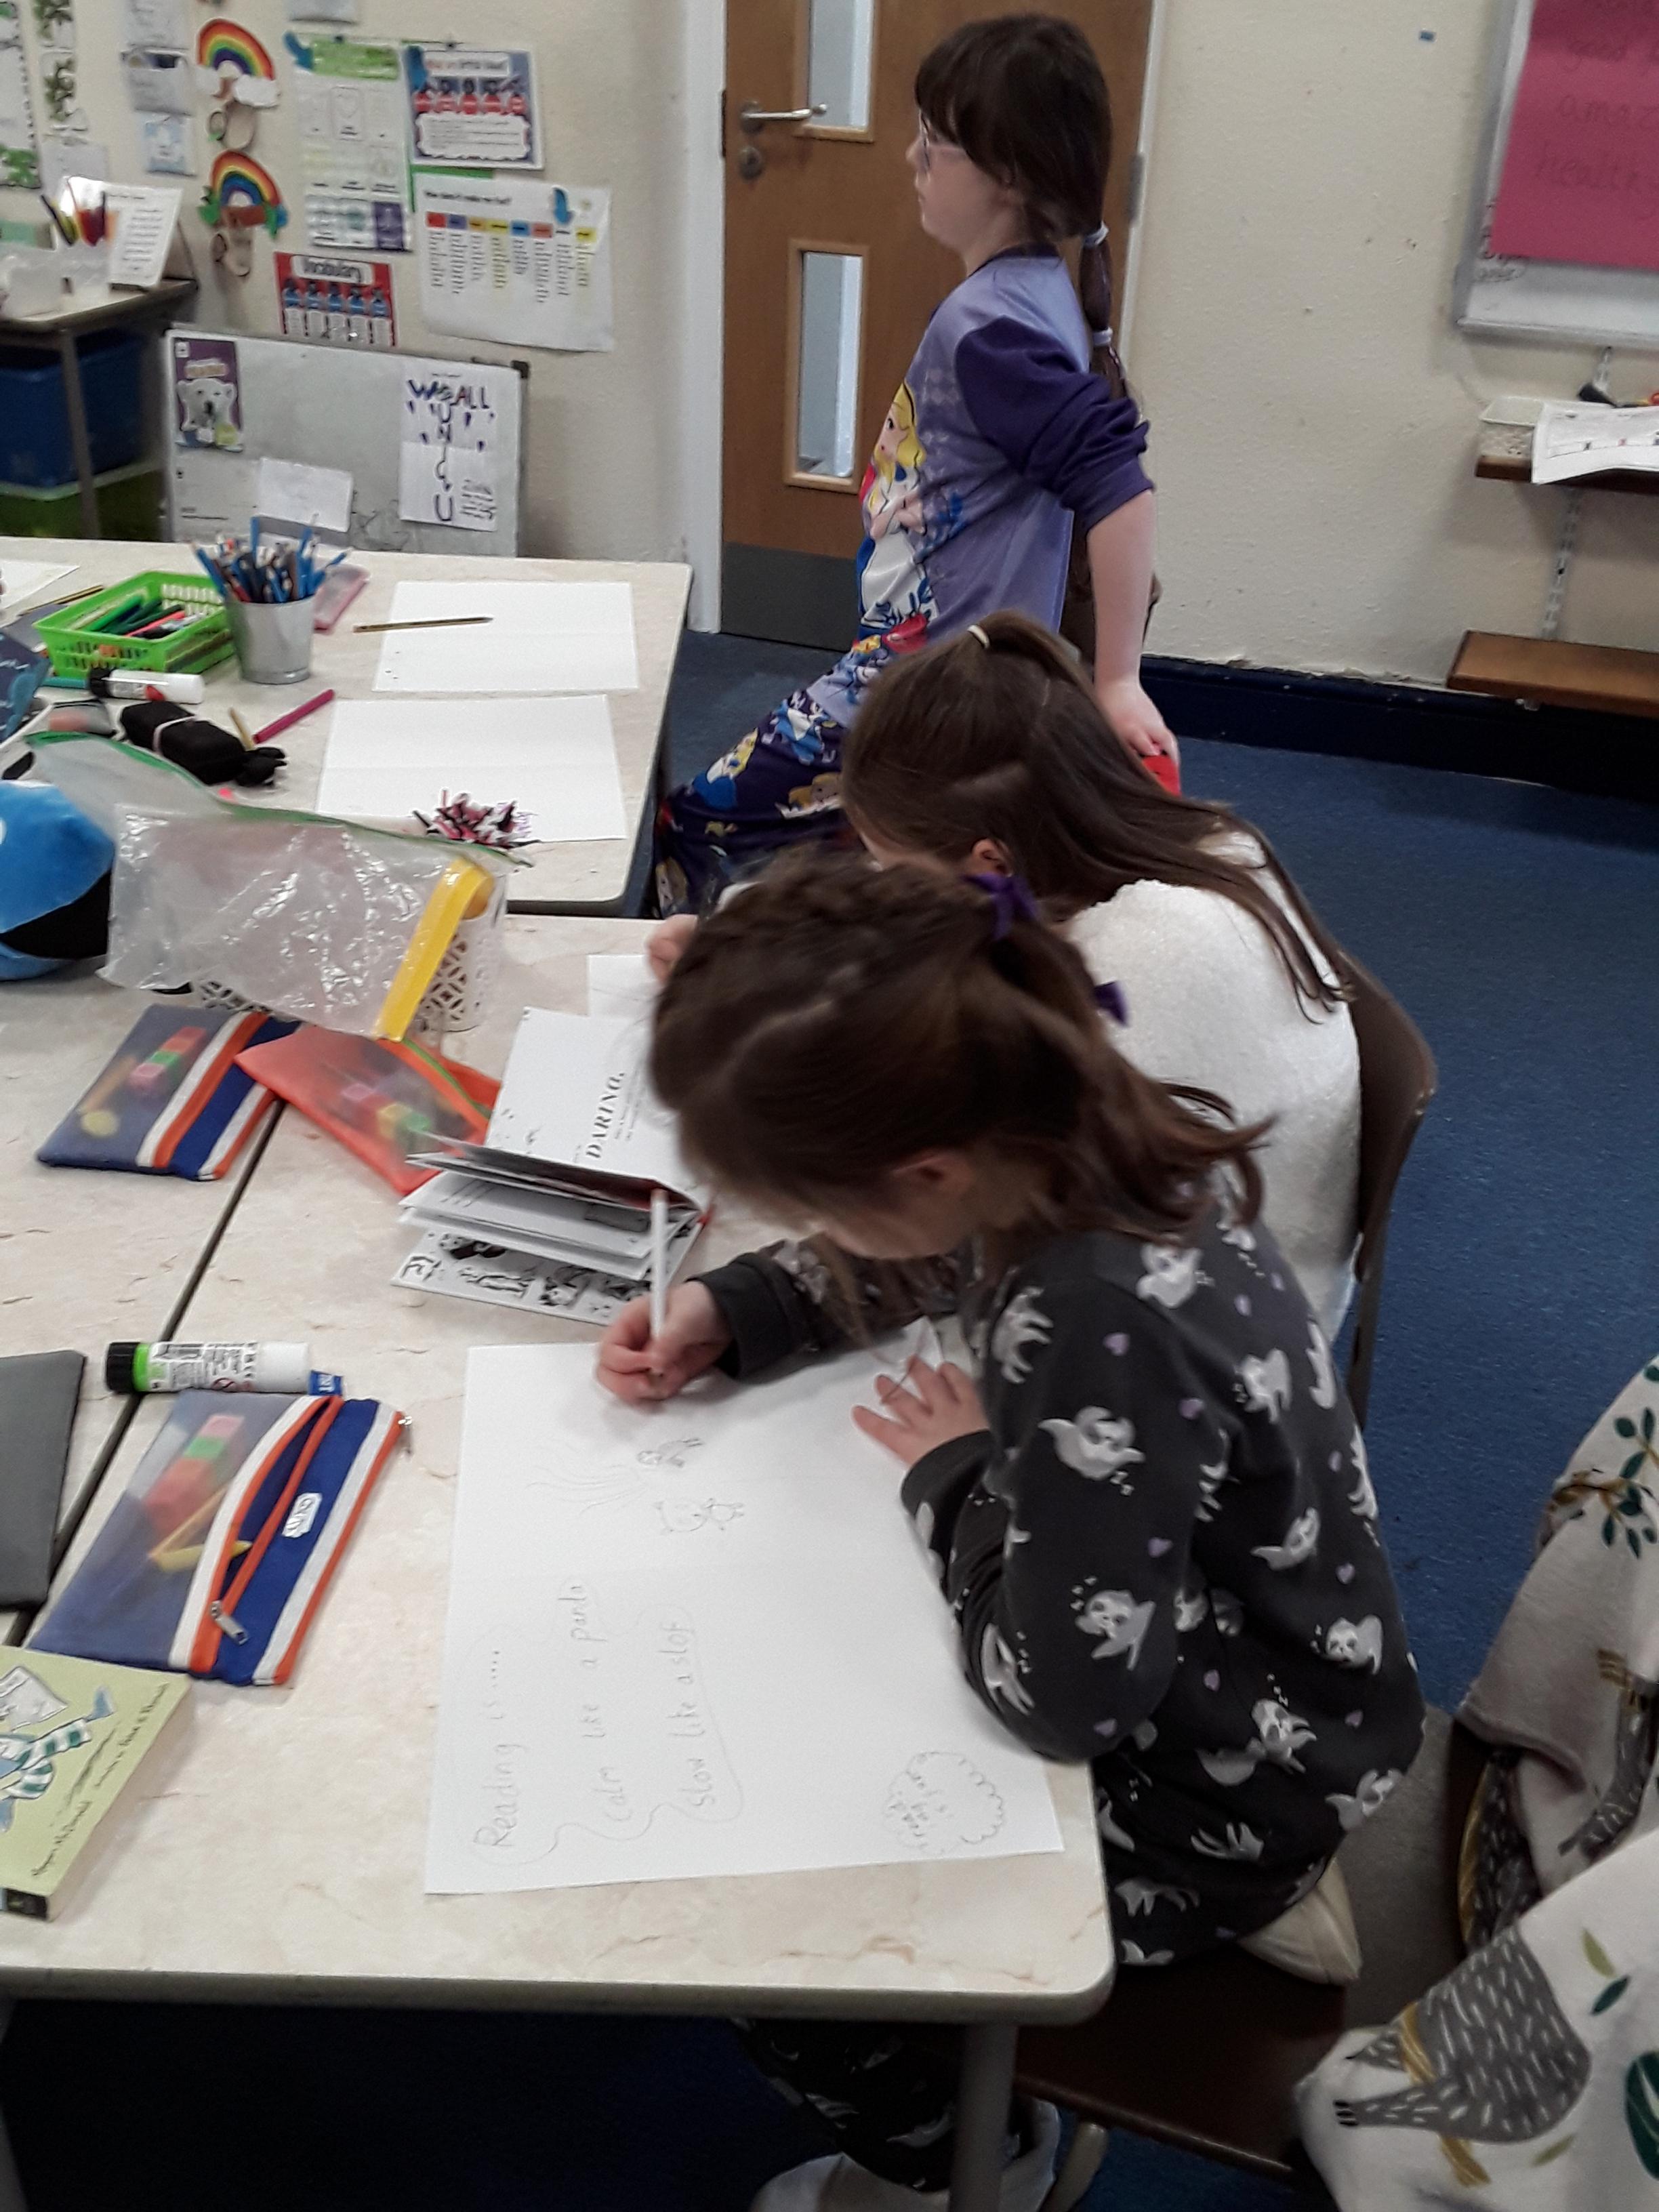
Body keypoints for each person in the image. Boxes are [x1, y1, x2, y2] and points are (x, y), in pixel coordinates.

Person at [598, 855, 1425, 2211]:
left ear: (924, 1165)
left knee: (773, 1945)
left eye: (824, 1209)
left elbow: (1065, 1696)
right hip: (1290, 1670)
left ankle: (965, 2166)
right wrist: (741, 1309)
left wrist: (957, 1476)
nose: (824, 1233)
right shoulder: (1075, 1114)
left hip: (1229, 1779)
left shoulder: (1091, 1324)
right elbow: (942, 1240)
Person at [656, 12, 1174, 915]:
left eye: (934, 143)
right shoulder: (1033, 291)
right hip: (942, 675)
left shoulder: (996, 330)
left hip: (929, 694)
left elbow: (1118, 485)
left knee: (698, 823)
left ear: (1009, 175)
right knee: (880, 873)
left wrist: (1118, 679)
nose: (911, 158)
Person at [842, 610, 1363, 1338]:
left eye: (897, 872)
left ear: (993, 864)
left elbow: (960, 1207)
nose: (890, 892)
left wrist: (758, 1299)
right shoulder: (1208, 844)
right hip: (1207, 1272)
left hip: (1210, 1348)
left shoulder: (1133, 968)